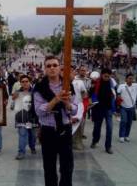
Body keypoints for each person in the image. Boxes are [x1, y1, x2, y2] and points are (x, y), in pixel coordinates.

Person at [33, 56, 78, 186]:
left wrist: (67, 104)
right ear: (45, 69)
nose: (52, 68)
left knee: (67, 166)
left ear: (59, 67)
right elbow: (39, 111)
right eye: (48, 66)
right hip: (48, 131)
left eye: (55, 65)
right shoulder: (40, 88)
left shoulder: (68, 86)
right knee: (49, 167)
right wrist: (55, 99)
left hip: (65, 129)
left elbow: (75, 109)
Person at [90, 68, 116, 154]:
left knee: (110, 128)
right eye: (105, 76)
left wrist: (116, 108)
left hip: (108, 109)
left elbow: (115, 95)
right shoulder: (96, 83)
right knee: (97, 127)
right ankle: (95, 140)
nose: (107, 78)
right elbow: (92, 94)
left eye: (109, 76)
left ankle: (108, 147)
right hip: (98, 109)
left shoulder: (112, 83)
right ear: (102, 75)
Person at [13, 75, 38, 160]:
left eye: (26, 81)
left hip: (32, 118)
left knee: (33, 135)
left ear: (30, 82)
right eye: (22, 81)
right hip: (21, 118)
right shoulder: (17, 92)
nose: (24, 83)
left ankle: (32, 147)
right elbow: (13, 99)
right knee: (22, 134)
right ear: (20, 83)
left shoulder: (35, 92)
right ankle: (21, 152)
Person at [116, 73, 137, 143]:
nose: (131, 80)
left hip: (131, 107)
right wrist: (119, 97)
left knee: (129, 122)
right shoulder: (121, 86)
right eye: (129, 78)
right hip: (123, 107)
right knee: (123, 121)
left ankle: (126, 135)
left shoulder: (135, 86)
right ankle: (121, 136)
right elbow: (118, 94)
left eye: (132, 78)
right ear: (126, 79)